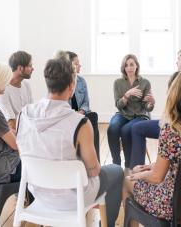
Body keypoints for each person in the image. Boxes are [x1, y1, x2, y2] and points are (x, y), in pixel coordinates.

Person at [16, 53, 123, 227]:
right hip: (73, 198)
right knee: (117, 171)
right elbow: (94, 171)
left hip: (38, 192)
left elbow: (23, 152)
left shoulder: (23, 114)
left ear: (47, 82)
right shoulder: (80, 123)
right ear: (72, 85)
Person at [123, 71, 181, 225]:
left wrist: (139, 176)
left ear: (172, 95)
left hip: (171, 204)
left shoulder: (171, 129)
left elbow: (156, 178)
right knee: (138, 171)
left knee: (128, 180)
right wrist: (149, 167)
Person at [107, 54, 155, 174]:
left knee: (126, 130)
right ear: (123, 67)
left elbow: (147, 108)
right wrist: (126, 95)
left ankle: (128, 166)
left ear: (136, 66)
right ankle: (116, 164)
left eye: (132, 64)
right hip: (123, 113)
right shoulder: (118, 83)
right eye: (126, 65)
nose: (129, 67)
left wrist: (151, 103)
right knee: (112, 128)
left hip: (140, 115)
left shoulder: (145, 83)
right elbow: (118, 105)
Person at [67, 51, 100, 161]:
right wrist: (73, 114)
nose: (79, 65)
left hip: (80, 114)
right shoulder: (62, 82)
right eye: (76, 63)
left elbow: (86, 102)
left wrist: (81, 112)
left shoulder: (81, 81)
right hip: (67, 117)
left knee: (93, 116)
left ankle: (96, 160)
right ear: (69, 65)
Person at [0, 51, 34, 131]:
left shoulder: (26, 85)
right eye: (30, 66)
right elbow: (11, 124)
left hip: (28, 130)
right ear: (20, 68)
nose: (33, 69)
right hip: (15, 135)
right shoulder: (2, 90)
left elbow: (31, 112)